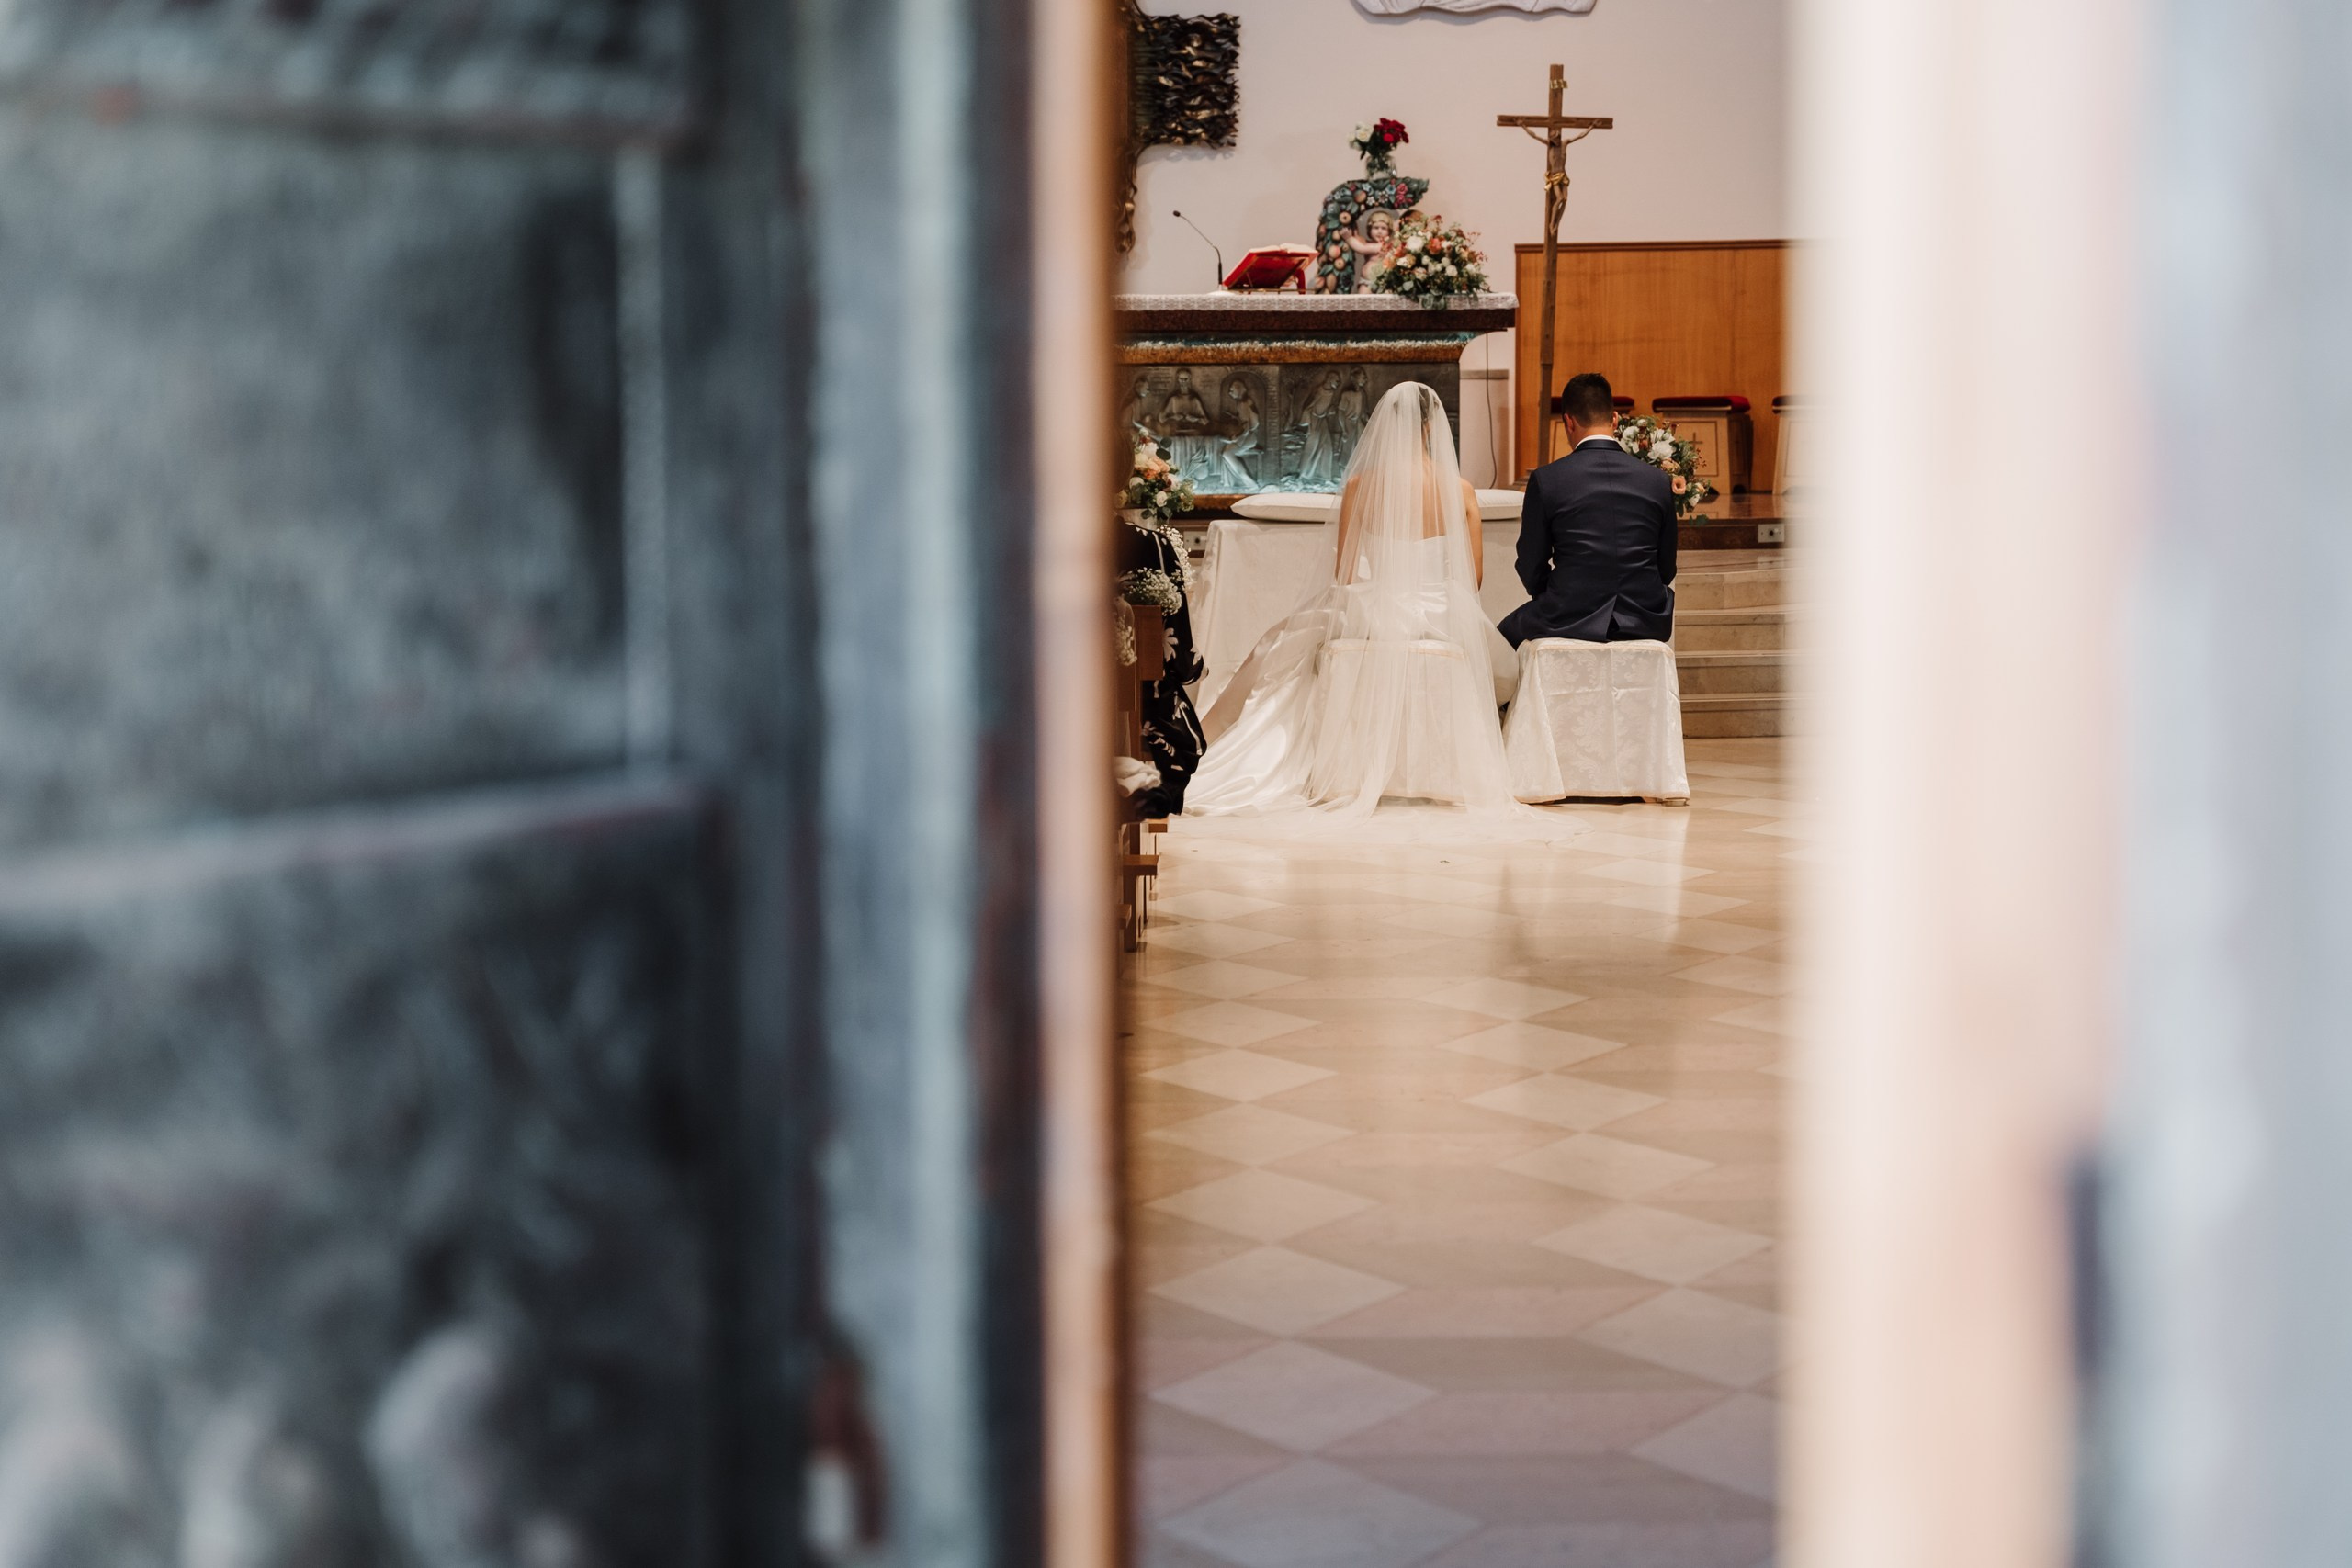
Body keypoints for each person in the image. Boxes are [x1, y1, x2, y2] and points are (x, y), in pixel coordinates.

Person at [1184, 382, 1528, 824]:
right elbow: (1472, 580)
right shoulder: (1460, 491)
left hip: (1374, 603)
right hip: (1444, 611)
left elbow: (1344, 575)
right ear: (1430, 427)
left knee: (1287, 646)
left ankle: (1302, 757)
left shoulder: (1363, 485)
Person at [1498, 372, 1678, 648]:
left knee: (1498, 641)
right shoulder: (1656, 480)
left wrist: (1556, 594)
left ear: (1568, 422)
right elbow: (1666, 567)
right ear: (1615, 420)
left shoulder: (1547, 480)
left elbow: (1531, 563)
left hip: (1569, 614)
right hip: (1646, 616)